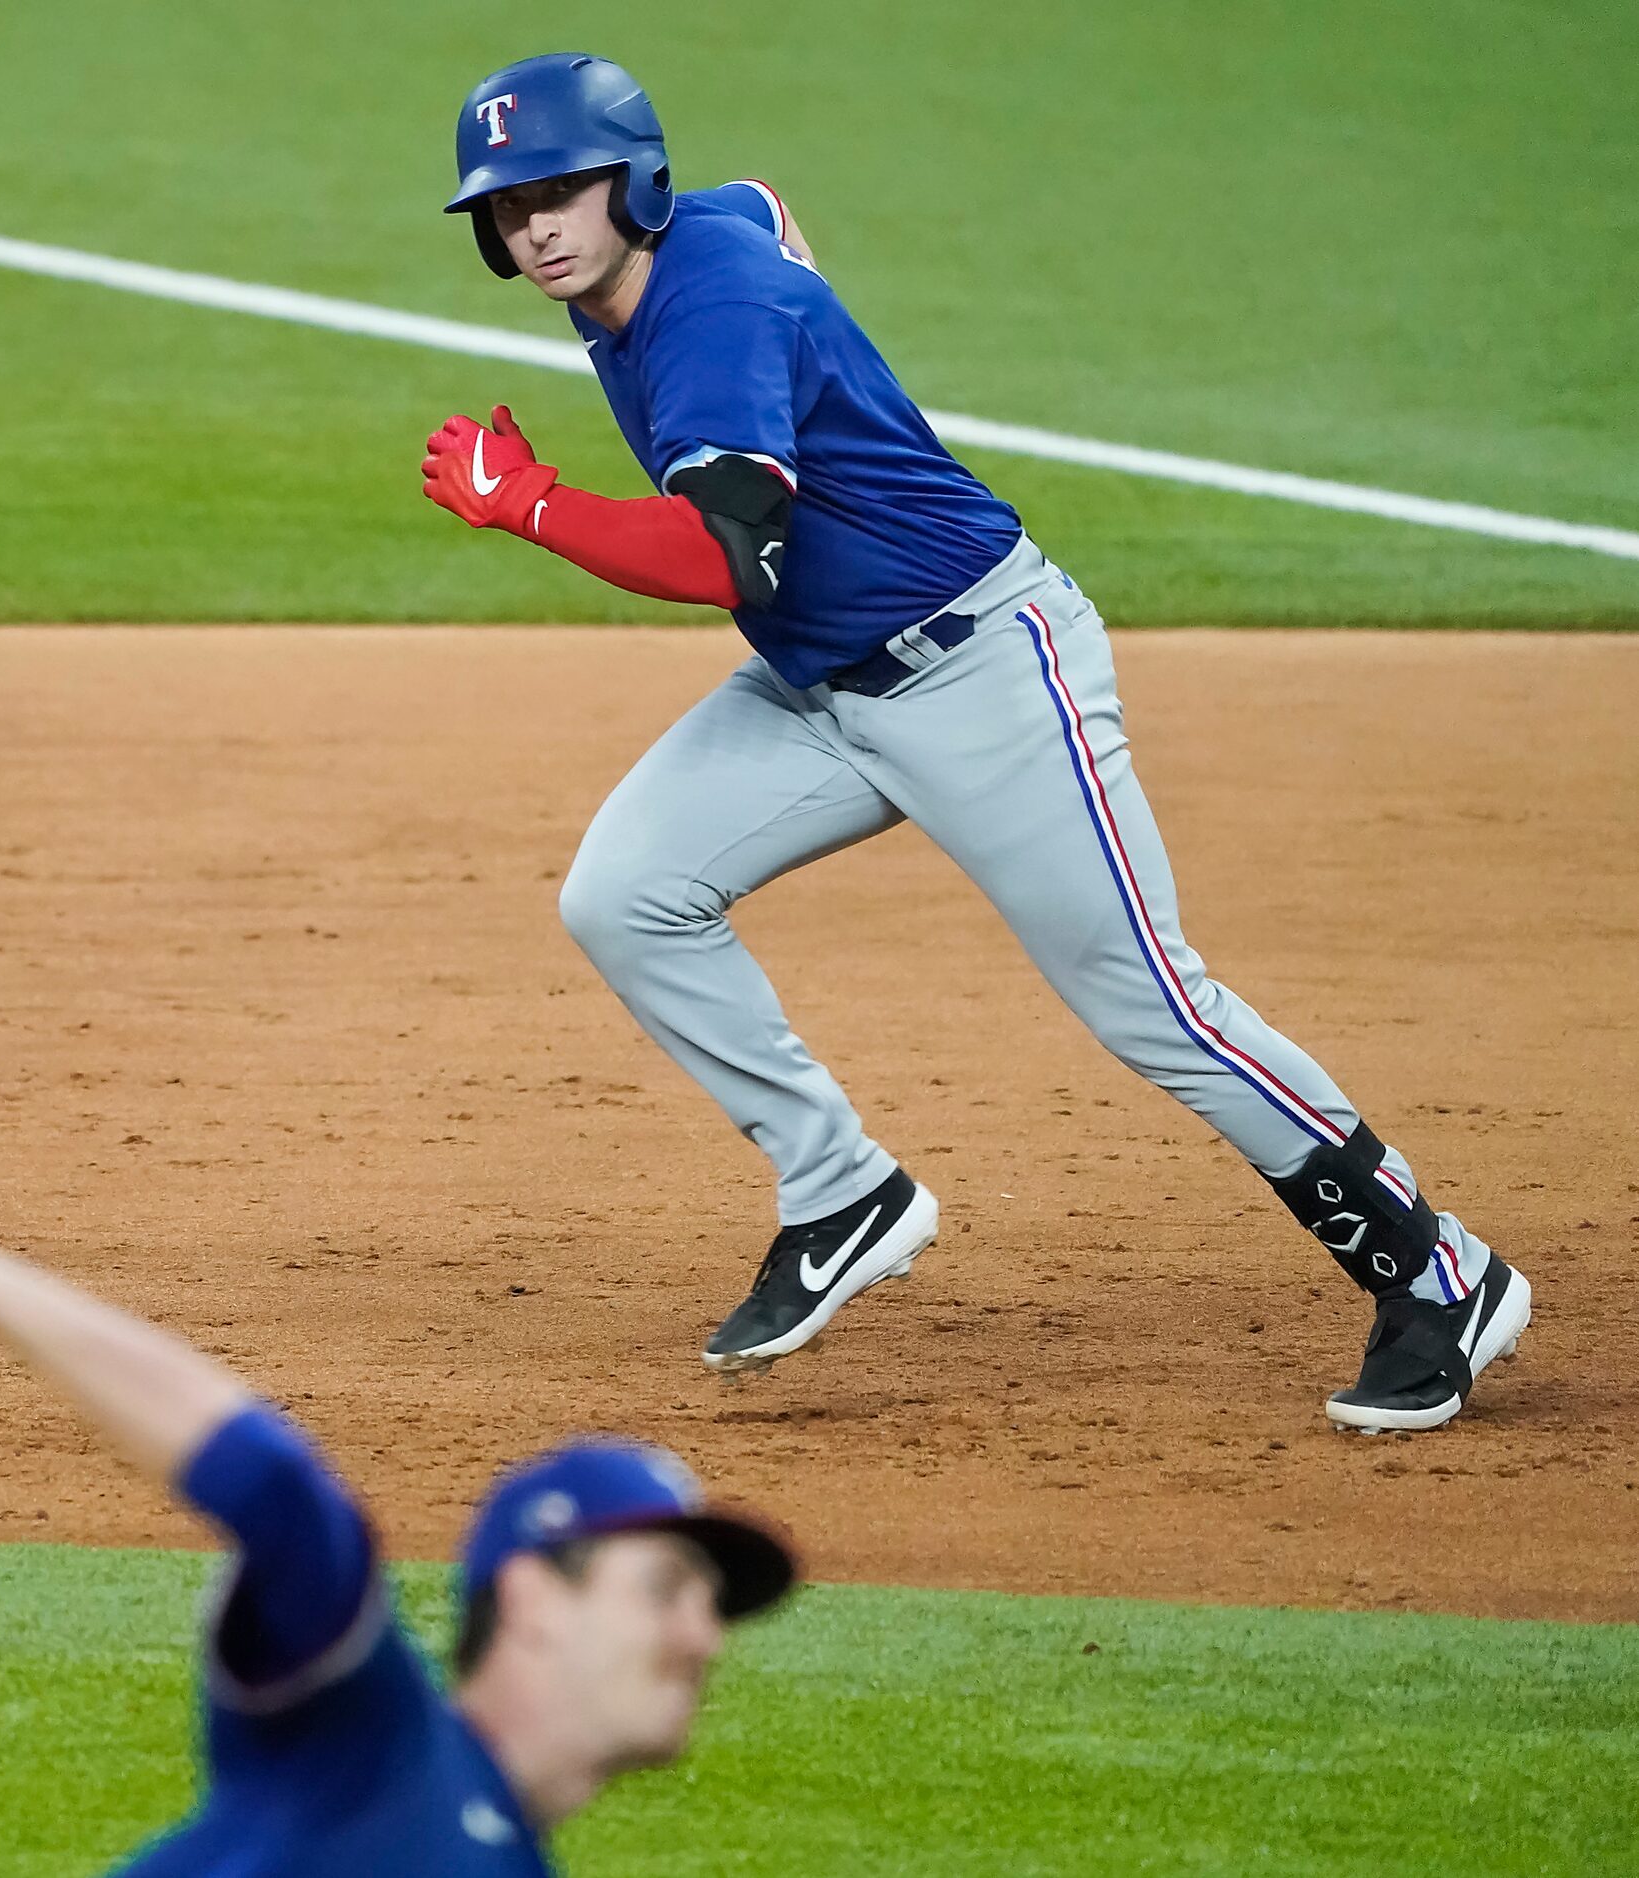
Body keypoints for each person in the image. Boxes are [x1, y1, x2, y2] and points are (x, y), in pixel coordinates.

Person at [419, 52, 1531, 1435]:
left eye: (557, 191)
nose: (531, 227)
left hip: (983, 671)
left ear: (627, 178)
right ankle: (840, 1188)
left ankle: (1441, 1273)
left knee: (1154, 1008)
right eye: (504, 205)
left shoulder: (704, 310)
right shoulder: (677, 245)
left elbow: (724, 555)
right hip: (823, 691)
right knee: (623, 893)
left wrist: (528, 504)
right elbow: (759, 202)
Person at [0, 1227, 794, 1873]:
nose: (703, 1637)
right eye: (665, 1590)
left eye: (711, 1607)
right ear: (529, 1599)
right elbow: (287, 1500)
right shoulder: (372, 1742)